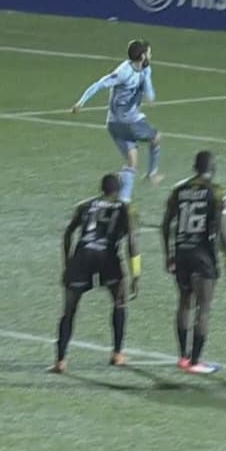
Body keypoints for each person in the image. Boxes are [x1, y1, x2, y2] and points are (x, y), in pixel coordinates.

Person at [52, 174, 140, 372]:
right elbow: (132, 241)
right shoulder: (125, 208)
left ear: (101, 189)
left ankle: (60, 360)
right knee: (119, 302)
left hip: (82, 255)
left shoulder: (85, 205)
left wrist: (67, 263)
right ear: (119, 190)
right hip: (108, 257)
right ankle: (117, 354)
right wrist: (136, 273)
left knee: (69, 309)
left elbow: (68, 233)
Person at [162, 151, 226, 375]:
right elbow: (222, 228)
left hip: (182, 252)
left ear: (195, 167)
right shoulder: (217, 192)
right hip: (203, 255)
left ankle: (183, 357)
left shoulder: (179, 190)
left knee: (184, 303)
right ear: (213, 169)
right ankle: (195, 361)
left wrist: (168, 253)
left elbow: (165, 224)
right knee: (203, 307)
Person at [71, 40, 161, 203]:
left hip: (113, 125)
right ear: (142, 56)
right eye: (149, 53)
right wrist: (81, 101)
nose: (151, 56)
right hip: (129, 123)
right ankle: (152, 173)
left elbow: (149, 98)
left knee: (132, 163)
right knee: (156, 137)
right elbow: (101, 84)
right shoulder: (123, 72)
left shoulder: (140, 69)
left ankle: (124, 200)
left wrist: (80, 103)